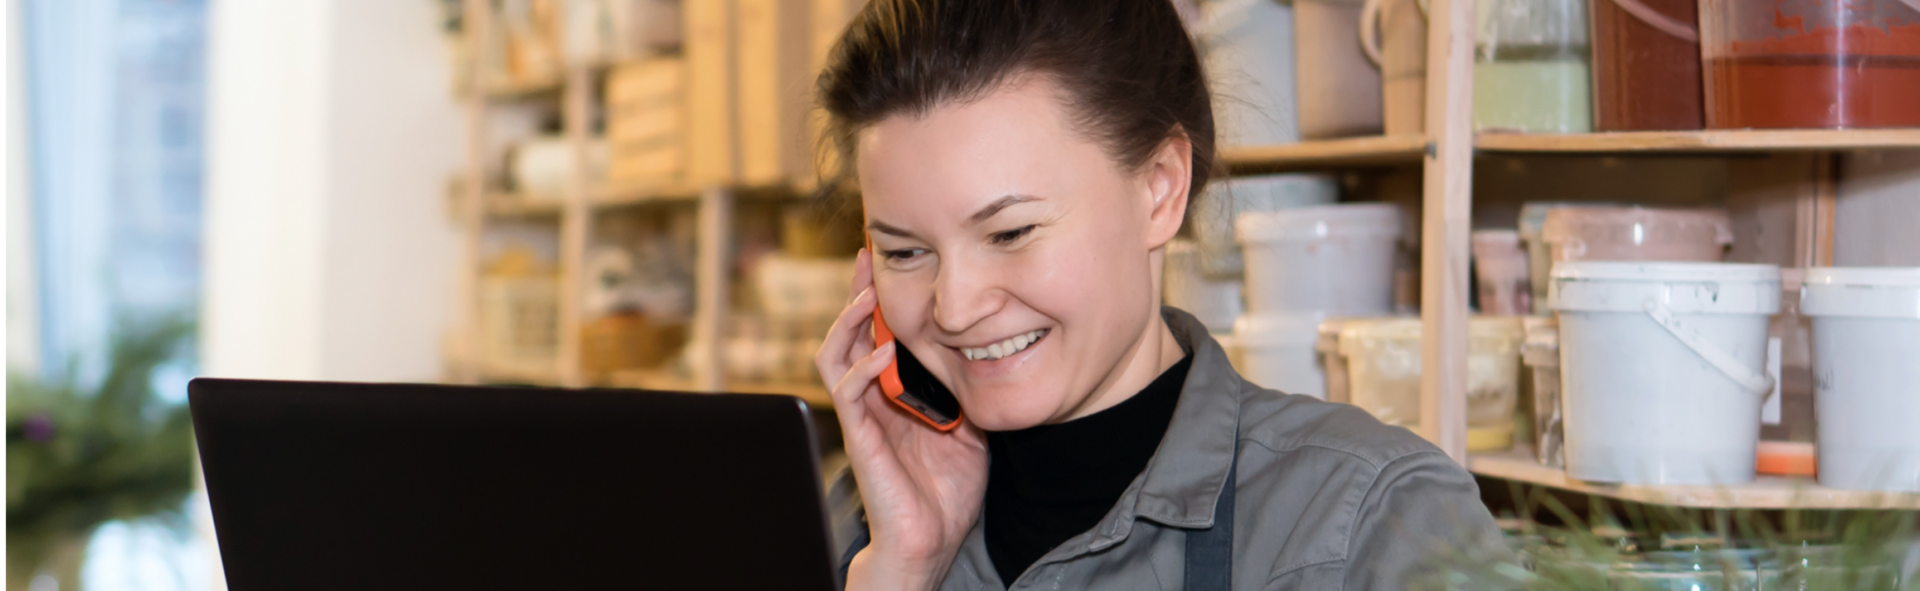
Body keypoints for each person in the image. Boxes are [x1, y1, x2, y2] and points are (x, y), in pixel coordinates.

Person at [812, 0, 1512, 589]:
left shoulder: (1371, 521)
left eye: (1010, 232)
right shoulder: (860, 524)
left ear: (1160, 188)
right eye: (905, 252)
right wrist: (902, 570)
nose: (954, 307)